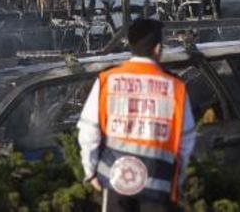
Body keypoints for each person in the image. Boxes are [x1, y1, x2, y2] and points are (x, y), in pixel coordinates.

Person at [77, 19, 196, 212]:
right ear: (158, 49)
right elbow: (186, 139)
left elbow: (89, 130)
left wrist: (90, 172)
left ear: (130, 45)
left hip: (117, 181)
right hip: (158, 183)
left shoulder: (108, 80)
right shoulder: (175, 87)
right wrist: (177, 179)